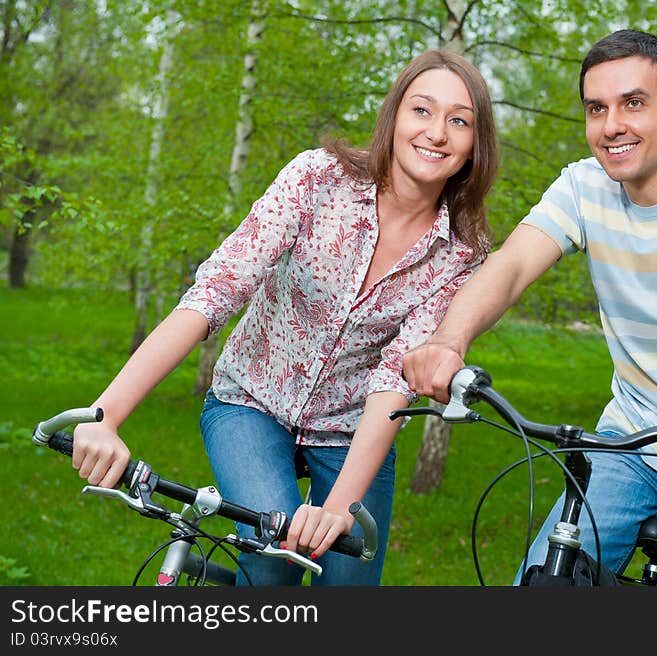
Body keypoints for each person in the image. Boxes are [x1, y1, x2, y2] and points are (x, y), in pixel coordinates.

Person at [71, 49, 499, 586]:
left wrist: (340, 508)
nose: (437, 132)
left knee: (347, 580)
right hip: (251, 401)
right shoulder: (317, 178)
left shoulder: (463, 251)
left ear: (474, 146)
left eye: (459, 120)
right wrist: (104, 416)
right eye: (422, 110)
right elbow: (217, 291)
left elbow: (398, 375)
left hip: (351, 428)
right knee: (271, 557)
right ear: (394, 116)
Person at [403, 29, 657, 586]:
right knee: (540, 587)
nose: (612, 125)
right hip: (629, 447)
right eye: (597, 109)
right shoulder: (583, 185)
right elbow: (512, 265)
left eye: (634, 103)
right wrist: (448, 341)